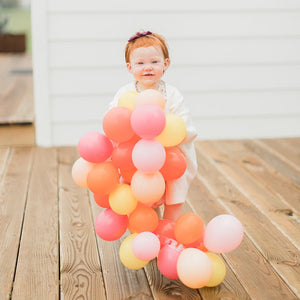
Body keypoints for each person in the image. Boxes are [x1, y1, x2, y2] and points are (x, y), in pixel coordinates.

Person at [109, 31, 198, 221]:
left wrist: (169, 133)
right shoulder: (125, 94)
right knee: (143, 193)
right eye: (140, 63)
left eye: (154, 62)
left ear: (165, 64)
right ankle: (147, 229)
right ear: (129, 67)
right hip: (137, 157)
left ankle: (170, 229)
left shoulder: (172, 95)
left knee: (173, 190)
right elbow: (114, 120)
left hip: (169, 155)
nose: (147, 68)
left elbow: (184, 124)